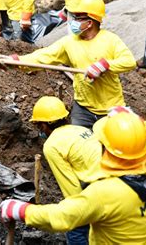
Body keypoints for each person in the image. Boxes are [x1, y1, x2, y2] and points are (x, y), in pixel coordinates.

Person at [0, 108, 146, 244]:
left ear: (107, 150)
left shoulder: (103, 194)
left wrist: (20, 210)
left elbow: (61, 217)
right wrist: (133, 122)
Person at [8, 0, 136, 129]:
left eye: (78, 18)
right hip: (83, 109)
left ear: (90, 22)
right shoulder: (69, 42)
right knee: (80, 143)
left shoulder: (111, 40)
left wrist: (105, 66)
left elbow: (129, 61)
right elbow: (45, 56)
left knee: (114, 145)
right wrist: (18, 61)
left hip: (111, 109)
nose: (73, 22)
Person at [30, 96, 102, 244]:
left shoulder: (52, 145)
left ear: (44, 125)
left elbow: (71, 188)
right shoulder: (81, 129)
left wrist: (75, 214)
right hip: (120, 185)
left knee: (76, 231)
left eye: (39, 125)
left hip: (100, 191)